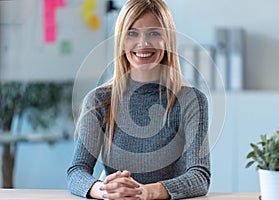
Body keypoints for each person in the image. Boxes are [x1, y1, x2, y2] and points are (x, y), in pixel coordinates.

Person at [67, 0, 210, 199]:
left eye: (154, 33)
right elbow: (76, 172)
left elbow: (199, 177)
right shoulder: (99, 101)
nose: (143, 43)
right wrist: (105, 190)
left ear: (167, 39)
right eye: (132, 33)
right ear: (121, 40)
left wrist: (145, 192)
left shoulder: (191, 100)